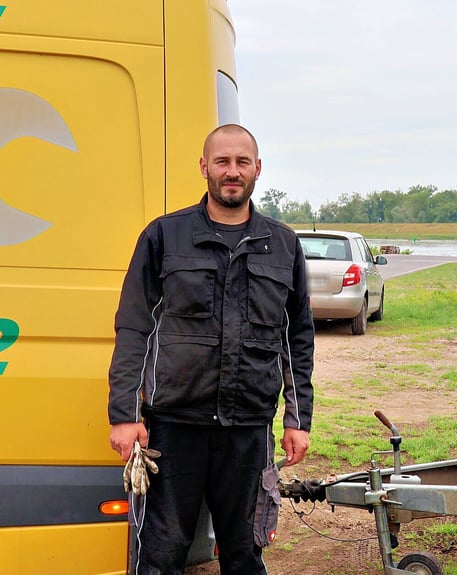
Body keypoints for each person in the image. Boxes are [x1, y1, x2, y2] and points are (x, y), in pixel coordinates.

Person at [107, 124, 315, 575]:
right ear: (205, 167)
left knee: (244, 554)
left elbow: (296, 338)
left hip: (247, 430)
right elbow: (134, 327)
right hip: (172, 430)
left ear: (258, 169)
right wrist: (125, 413)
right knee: (159, 555)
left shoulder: (282, 246)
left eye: (242, 162)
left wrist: (298, 420)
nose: (232, 171)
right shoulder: (164, 237)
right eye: (222, 161)